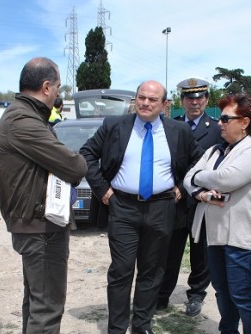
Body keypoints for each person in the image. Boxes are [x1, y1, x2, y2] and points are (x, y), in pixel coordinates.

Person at [80, 80, 202, 334]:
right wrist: (103, 190)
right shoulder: (114, 126)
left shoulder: (178, 131)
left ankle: (142, 325)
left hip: (162, 207)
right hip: (123, 207)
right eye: (142, 97)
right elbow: (87, 154)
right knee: (121, 270)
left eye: (152, 99)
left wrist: (182, 185)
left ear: (164, 105)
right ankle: (117, 327)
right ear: (135, 99)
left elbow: (198, 161)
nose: (146, 103)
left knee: (152, 270)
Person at [0, 57, 87, 334]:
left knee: (37, 303)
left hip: (39, 224)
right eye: (58, 87)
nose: (58, 93)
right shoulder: (23, 120)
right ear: (46, 87)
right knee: (46, 309)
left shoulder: (27, 116)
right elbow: (75, 165)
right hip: (40, 228)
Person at [184, 93, 251, 334]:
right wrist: (201, 191)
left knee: (242, 296)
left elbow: (226, 179)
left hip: (239, 237)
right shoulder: (215, 151)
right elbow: (187, 179)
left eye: (226, 118)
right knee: (222, 293)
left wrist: (197, 177)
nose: (220, 123)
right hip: (215, 235)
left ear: (244, 122)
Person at [157, 78, 224, 316]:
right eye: (189, 98)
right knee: (169, 251)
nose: (195, 103)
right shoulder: (170, 125)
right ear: (182, 101)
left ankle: (196, 295)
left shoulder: (217, 128)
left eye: (200, 98)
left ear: (207, 99)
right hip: (174, 199)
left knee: (200, 253)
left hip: (201, 201)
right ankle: (162, 295)